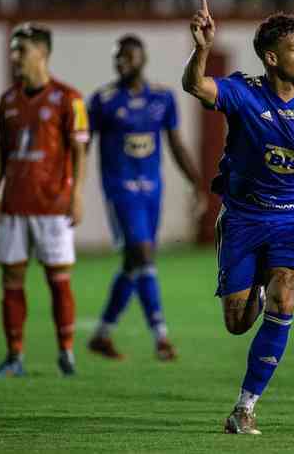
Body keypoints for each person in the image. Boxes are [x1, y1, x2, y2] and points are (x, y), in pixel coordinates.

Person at [182, 0, 294, 434]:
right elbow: (196, 86)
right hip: (242, 219)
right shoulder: (243, 93)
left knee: (286, 296)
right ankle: (257, 287)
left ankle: (245, 407)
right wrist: (202, 48)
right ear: (272, 57)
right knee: (238, 324)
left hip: (292, 221)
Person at [86, 34, 205, 361]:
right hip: (120, 189)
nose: (121, 62)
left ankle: (102, 334)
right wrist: (69, 184)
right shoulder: (103, 100)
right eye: (117, 58)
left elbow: (176, 144)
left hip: (152, 190)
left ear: (142, 59)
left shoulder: (162, 98)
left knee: (134, 263)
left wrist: (197, 183)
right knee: (142, 254)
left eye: (127, 57)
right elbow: (81, 145)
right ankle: (161, 336)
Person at [0, 23, 89, 377]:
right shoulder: (8, 99)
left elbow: (79, 150)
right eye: (14, 50)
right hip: (15, 202)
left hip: (52, 204)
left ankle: (66, 354)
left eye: (22, 50)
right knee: (11, 280)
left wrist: (76, 195)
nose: (15, 57)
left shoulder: (69, 98)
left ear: (42, 53)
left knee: (58, 280)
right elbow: (0, 151)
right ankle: (14, 357)